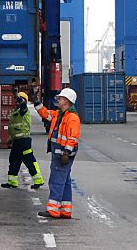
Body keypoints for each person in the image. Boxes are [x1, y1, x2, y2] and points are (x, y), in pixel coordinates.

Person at [34, 88, 81, 219]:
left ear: (66, 101)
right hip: (60, 153)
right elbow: (46, 114)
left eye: (60, 98)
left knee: (56, 181)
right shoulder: (60, 115)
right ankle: (65, 210)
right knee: (64, 181)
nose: (58, 100)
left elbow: (73, 137)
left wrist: (66, 152)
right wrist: (36, 102)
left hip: (62, 154)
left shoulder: (72, 118)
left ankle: (53, 210)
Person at [1, 91, 45, 190]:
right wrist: (11, 139)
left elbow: (23, 105)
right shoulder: (15, 112)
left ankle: (38, 180)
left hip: (24, 141)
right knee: (13, 161)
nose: (17, 101)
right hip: (17, 141)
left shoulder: (23, 110)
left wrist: (18, 97)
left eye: (20, 99)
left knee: (29, 161)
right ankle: (12, 182)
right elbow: (14, 128)